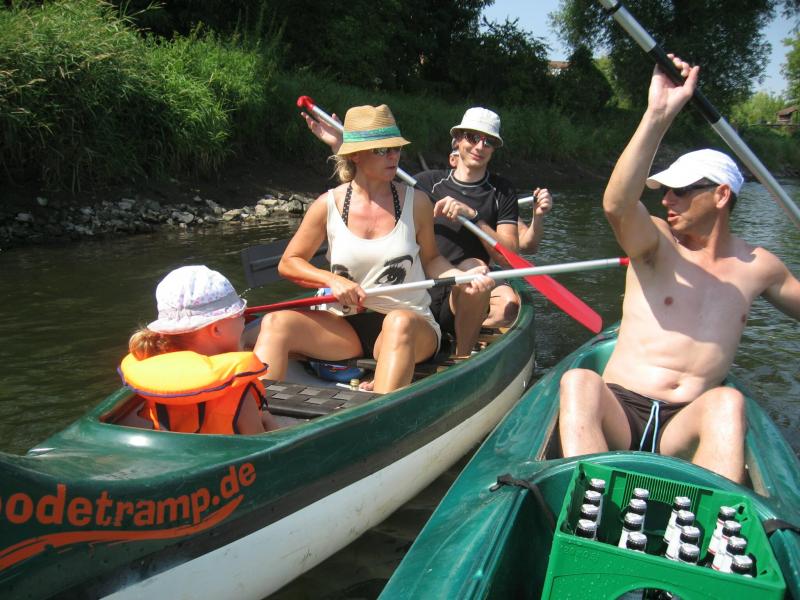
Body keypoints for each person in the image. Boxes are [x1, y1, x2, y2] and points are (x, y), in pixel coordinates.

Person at [558, 55, 800, 483]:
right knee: (578, 381)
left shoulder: (759, 266)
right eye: (665, 190)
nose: (666, 200)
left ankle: (708, 515)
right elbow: (617, 204)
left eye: (681, 191)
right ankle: (587, 503)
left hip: (684, 423)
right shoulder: (656, 243)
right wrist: (658, 114)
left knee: (728, 402)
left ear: (721, 195)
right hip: (621, 408)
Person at [254, 104, 493, 393]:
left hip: (410, 323)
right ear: (355, 155)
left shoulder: (416, 203)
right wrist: (332, 280)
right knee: (276, 323)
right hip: (345, 326)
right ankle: (256, 412)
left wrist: (461, 277)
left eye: (396, 148)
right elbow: (289, 262)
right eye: (382, 150)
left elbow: (432, 260)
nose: (393, 156)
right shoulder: (326, 205)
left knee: (398, 322)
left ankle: (378, 410)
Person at [302, 106, 547, 355]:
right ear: (458, 139)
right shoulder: (426, 183)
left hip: (464, 287)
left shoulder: (502, 190)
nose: (480, 146)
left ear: (495, 148)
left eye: (489, 141)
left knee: (482, 274)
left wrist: (473, 217)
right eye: (473, 137)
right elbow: (370, 187)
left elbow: (509, 258)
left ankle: (464, 357)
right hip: (419, 282)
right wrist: (344, 147)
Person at [119, 265, 280, 434]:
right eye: (240, 315)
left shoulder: (157, 378)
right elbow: (262, 442)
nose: (243, 321)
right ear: (216, 329)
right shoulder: (236, 389)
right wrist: (269, 422)